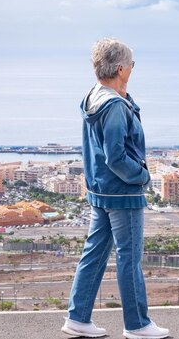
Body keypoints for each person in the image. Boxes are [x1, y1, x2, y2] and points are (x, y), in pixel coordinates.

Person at [62, 38, 169, 339]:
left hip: (100, 191)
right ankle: (137, 325)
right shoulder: (115, 108)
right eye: (132, 65)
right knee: (129, 259)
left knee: (94, 254)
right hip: (123, 194)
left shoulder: (93, 98)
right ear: (121, 68)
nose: (133, 70)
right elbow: (116, 156)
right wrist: (143, 177)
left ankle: (78, 317)